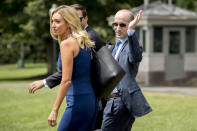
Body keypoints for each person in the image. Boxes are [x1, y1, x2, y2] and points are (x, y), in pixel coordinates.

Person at [28, 4, 106, 130]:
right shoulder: (83, 41)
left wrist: (54, 110)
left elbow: (66, 80)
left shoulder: (67, 44)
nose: (53, 25)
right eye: (52, 21)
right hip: (91, 101)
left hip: (77, 102)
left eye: (58, 21)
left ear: (69, 23)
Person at [101, 9, 152, 131]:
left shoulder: (133, 45)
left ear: (130, 25)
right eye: (115, 24)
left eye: (122, 25)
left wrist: (131, 31)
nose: (117, 28)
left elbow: (135, 57)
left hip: (120, 102)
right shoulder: (116, 46)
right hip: (111, 100)